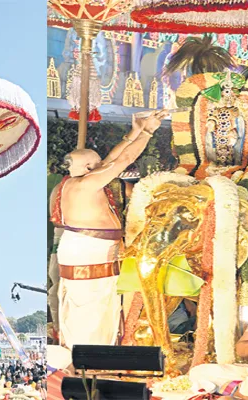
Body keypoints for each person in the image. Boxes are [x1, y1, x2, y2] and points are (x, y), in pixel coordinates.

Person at [49, 110, 166, 351]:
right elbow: (120, 162)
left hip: (87, 248)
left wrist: (134, 131)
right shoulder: (88, 183)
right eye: (97, 163)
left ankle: (93, 354)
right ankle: (91, 359)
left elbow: (110, 161)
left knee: (97, 305)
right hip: (88, 251)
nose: (103, 165)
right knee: (92, 310)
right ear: (89, 166)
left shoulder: (73, 180)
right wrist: (148, 131)